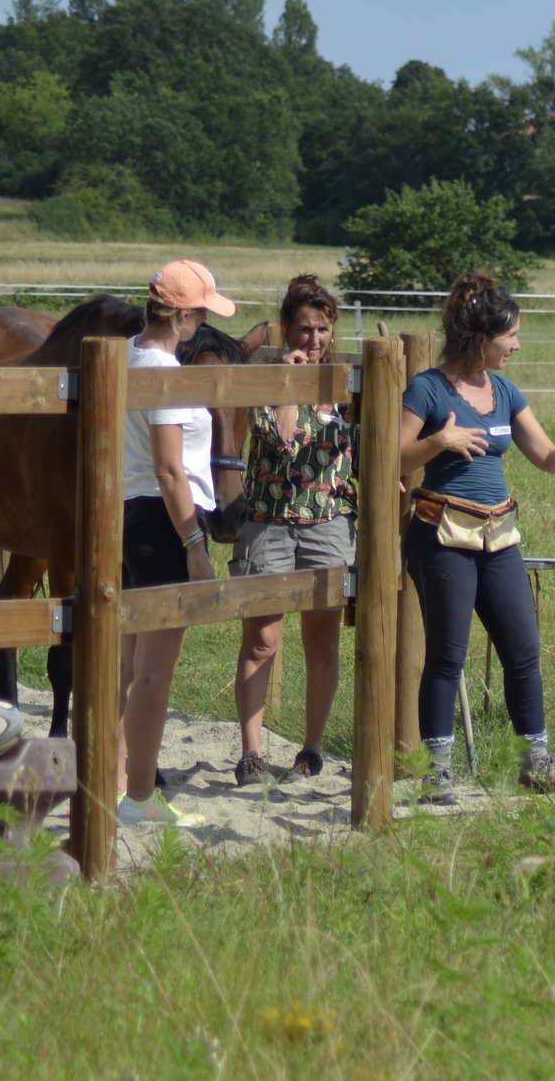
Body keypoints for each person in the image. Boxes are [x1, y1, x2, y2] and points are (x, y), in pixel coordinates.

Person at [397, 272, 555, 801]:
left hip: (499, 537)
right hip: (443, 536)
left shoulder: (505, 391)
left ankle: (535, 761)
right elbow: (390, 456)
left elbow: (546, 456)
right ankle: (435, 772)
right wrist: (439, 440)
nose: (517, 345)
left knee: (524, 650)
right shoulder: (427, 388)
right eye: (511, 336)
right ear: (481, 338)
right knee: (448, 656)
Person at [118, 259, 237, 827]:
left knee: (126, 666)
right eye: (202, 314)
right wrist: (193, 541)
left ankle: (118, 786)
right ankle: (140, 796)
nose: (202, 325)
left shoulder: (125, 354)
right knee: (152, 672)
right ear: (183, 316)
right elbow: (170, 470)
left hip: (128, 512)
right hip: (163, 520)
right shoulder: (163, 370)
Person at [230, 274, 353, 787]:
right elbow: (281, 441)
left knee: (322, 641)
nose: (314, 339)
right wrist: (287, 385)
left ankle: (311, 749)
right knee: (262, 639)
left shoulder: (345, 385)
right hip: (269, 522)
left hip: (328, 522)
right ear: (286, 329)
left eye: (323, 329)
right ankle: (252, 752)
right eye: (305, 329)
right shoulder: (262, 381)